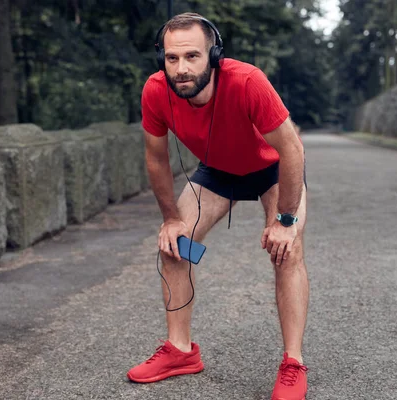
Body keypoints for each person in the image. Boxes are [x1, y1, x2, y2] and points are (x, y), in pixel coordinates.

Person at [127, 12, 309, 400]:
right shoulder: (156, 91)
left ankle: (293, 362)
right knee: (177, 247)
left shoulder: (247, 81)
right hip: (218, 172)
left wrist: (285, 220)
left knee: (285, 252)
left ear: (214, 55)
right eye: (172, 59)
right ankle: (181, 351)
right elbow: (156, 159)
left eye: (192, 56)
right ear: (162, 60)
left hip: (271, 169)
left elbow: (292, 149)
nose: (182, 68)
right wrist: (171, 219)